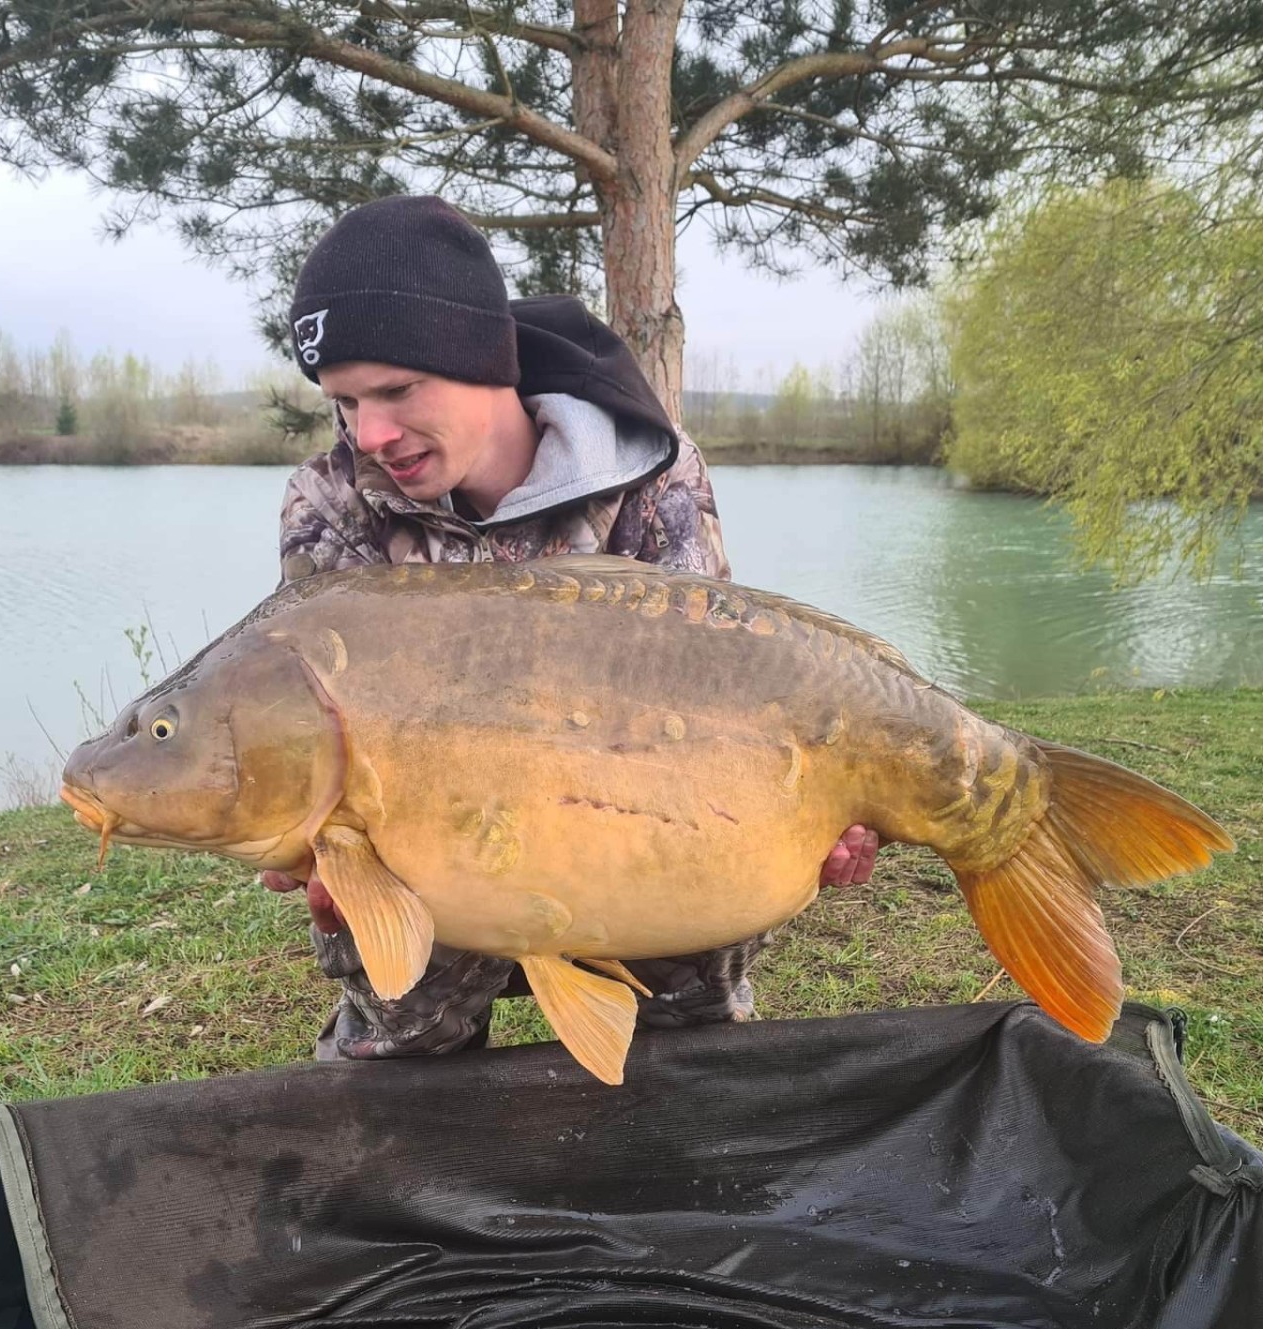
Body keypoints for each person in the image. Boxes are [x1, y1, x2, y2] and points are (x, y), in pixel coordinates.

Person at [259, 194, 879, 1061]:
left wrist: (808, 815)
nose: (374, 435)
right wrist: (311, 836)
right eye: (346, 401)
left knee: (688, 1053)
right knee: (399, 1056)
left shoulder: (651, 472)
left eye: (398, 390)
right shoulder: (331, 501)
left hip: (630, 821)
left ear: (486, 361)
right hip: (431, 860)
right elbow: (314, 713)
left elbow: (720, 695)